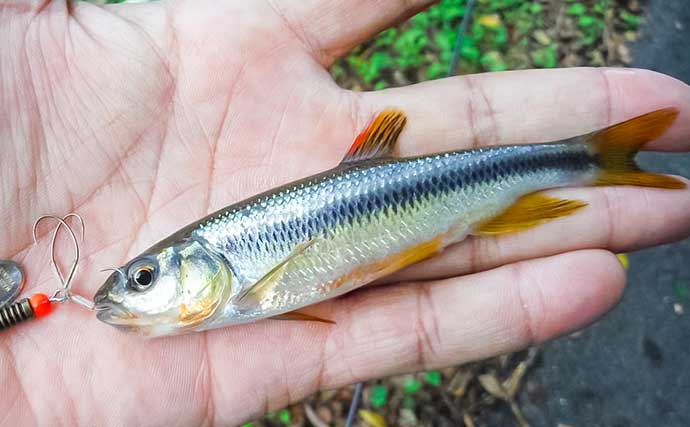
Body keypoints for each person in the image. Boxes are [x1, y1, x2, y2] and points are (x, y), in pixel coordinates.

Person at [2, 0, 689, 425]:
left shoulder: (243, 278)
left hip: (427, 196)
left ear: (196, 262)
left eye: (146, 276)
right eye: (140, 279)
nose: (132, 289)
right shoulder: (236, 290)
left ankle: (592, 158)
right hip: (413, 204)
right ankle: (595, 160)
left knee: (512, 199)